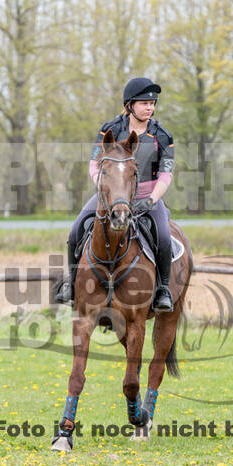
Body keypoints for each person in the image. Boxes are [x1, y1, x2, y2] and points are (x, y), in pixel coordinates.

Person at [55, 76, 175, 311]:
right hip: (110, 194)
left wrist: (151, 199)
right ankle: (71, 283)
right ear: (130, 104)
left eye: (152, 104)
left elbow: (165, 174)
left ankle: (162, 289)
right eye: (144, 103)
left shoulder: (162, 135)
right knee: (76, 229)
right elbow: (94, 164)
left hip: (147, 196)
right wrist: (104, 187)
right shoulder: (110, 129)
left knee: (162, 236)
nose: (150, 108)